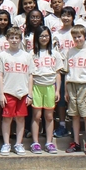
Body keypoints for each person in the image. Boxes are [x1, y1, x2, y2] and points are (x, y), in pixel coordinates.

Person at [61, 25, 86, 156]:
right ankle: (76, 142)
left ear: (85, 37)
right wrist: (66, 90)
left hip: (85, 85)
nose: (77, 39)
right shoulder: (70, 52)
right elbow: (67, 72)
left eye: (79, 37)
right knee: (74, 115)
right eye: (75, 37)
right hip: (72, 85)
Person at [0, 27, 34, 156]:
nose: (14, 40)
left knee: (20, 119)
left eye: (16, 38)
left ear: (20, 39)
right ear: (7, 39)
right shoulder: (3, 55)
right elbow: (0, 75)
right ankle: (6, 144)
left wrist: (30, 94)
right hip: (8, 92)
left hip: (22, 92)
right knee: (7, 119)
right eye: (11, 38)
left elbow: (30, 76)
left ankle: (18, 144)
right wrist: (1, 93)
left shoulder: (27, 56)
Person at [30, 26, 62, 154]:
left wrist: (57, 90)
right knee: (36, 116)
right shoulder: (32, 54)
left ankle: (49, 142)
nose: (44, 38)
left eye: (46, 36)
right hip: (36, 86)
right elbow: (30, 74)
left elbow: (58, 73)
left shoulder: (55, 54)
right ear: (37, 37)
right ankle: (35, 142)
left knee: (49, 116)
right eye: (41, 36)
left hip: (50, 86)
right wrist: (30, 92)